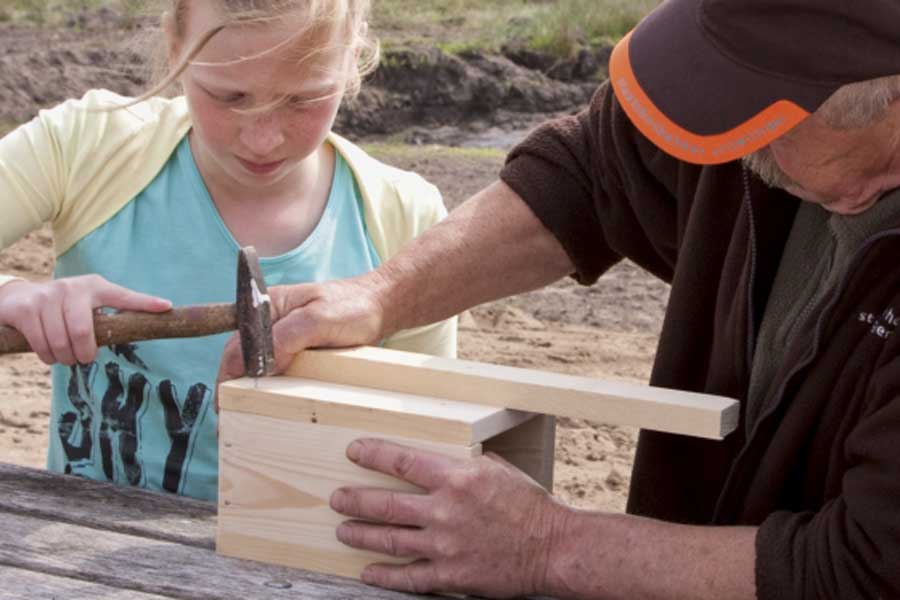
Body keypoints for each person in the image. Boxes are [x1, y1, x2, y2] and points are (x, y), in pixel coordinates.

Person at [216, 0, 900, 597]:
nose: (733, 140)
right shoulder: (769, 119)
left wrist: (548, 546)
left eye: (758, 116)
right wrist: (381, 295)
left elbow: (866, 572)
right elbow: (589, 175)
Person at [0, 0, 456, 502]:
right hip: (77, 548)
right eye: (229, 96)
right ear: (176, 45)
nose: (263, 139)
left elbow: (426, 447)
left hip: (306, 561)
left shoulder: (406, 217)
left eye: (304, 100)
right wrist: (11, 293)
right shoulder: (85, 146)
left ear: (353, 57)